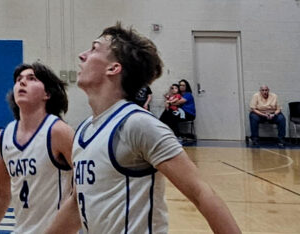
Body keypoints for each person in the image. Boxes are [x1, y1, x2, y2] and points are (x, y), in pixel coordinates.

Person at [45, 24, 241, 234]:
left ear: (113, 68)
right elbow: (76, 203)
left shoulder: (138, 124)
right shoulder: (84, 130)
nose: (82, 55)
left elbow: (201, 192)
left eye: (94, 48)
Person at [0, 63, 74, 234]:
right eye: (18, 79)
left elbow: (87, 188)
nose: (22, 83)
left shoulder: (58, 132)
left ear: (47, 93)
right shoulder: (4, 137)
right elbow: (1, 196)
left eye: (31, 79)